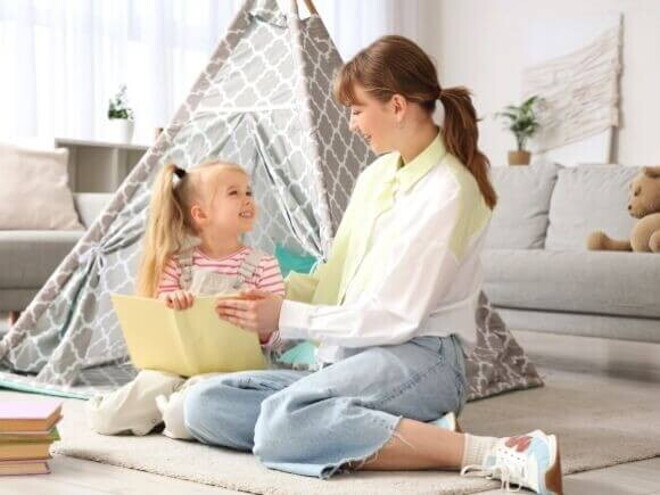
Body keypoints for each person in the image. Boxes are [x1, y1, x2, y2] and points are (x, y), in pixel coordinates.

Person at [184, 35, 563, 495]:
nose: (351, 124)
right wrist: (270, 303)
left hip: (423, 356)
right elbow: (336, 271)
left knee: (281, 426)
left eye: (357, 109)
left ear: (397, 106)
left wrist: (287, 317)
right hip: (354, 357)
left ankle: (492, 452)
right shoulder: (376, 176)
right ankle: (397, 428)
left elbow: (398, 316)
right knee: (204, 403)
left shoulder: (449, 191)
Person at [86, 160, 285, 439]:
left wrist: (261, 325)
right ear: (201, 214)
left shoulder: (264, 265)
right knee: (107, 419)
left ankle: (166, 412)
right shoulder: (176, 265)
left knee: (183, 419)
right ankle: (160, 407)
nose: (248, 200)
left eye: (248, 192)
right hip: (171, 370)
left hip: (227, 372)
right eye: (234, 193)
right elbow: (157, 328)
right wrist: (170, 303)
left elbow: (280, 338)